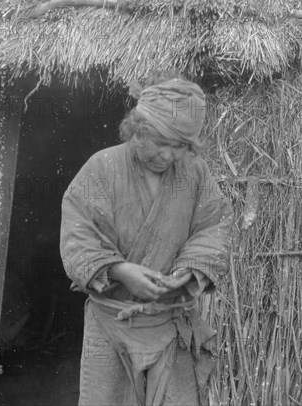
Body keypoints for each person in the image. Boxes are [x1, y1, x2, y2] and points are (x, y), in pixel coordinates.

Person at [60, 73, 234, 406]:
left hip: (171, 323)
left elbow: (214, 224)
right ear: (137, 129)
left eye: (180, 146)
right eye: (161, 141)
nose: (169, 155)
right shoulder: (102, 168)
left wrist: (189, 268)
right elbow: (77, 235)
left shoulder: (194, 174)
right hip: (110, 325)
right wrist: (119, 270)